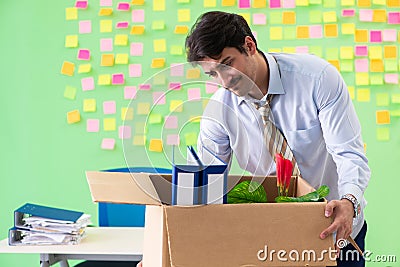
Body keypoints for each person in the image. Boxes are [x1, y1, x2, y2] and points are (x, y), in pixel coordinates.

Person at [185, 11, 370, 267]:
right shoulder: (219, 112)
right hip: (270, 237)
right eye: (213, 74)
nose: (224, 81)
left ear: (249, 45)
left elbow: (349, 154)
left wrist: (350, 202)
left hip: (335, 226)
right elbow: (207, 188)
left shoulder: (317, 79)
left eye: (228, 64)